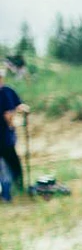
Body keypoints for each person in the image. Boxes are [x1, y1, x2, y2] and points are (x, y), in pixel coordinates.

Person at [0, 66, 30, 198]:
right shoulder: (4, 93)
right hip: (4, 136)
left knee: (12, 164)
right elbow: (8, 115)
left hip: (6, 137)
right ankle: (9, 193)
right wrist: (11, 121)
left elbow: (19, 105)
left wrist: (23, 109)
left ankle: (16, 190)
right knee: (8, 166)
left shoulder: (7, 91)